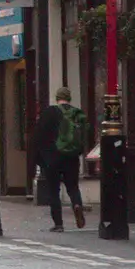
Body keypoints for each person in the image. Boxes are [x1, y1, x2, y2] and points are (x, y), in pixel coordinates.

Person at [33, 85, 88, 231]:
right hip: (71, 157)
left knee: (54, 190)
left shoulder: (50, 112)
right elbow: (85, 135)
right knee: (73, 187)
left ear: (57, 98)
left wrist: (39, 159)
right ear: (69, 98)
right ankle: (77, 204)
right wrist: (78, 152)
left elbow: (39, 136)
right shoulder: (77, 114)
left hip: (53, 158)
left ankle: (58, 224)